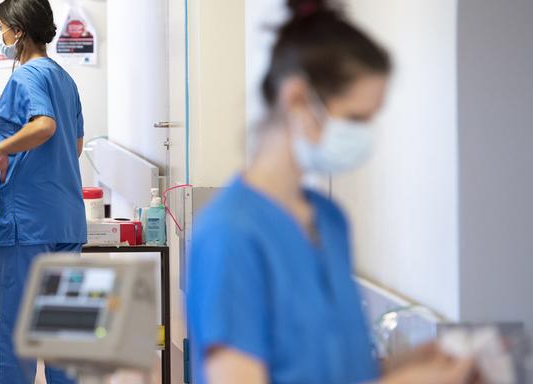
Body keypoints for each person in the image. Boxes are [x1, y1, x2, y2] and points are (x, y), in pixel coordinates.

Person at [186, 1, 475, 383]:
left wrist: (408, 366)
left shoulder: (328, 221)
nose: (365, 137)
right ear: (297, 100)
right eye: (356, 119)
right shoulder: (230, 236)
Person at [0, 0, 86, 383]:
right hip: (64, 221)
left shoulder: (25, 77)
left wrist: (2, 146)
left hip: (28, 225)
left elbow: (44, 126)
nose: (2, 35)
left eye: (2, 27)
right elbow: (73, 147)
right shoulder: (62, 77)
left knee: (20, 336)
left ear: (19, 30)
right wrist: (8, 121)